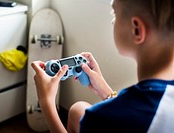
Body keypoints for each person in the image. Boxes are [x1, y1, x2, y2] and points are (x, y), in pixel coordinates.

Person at [31, 0, 174, 132]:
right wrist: (105, 91)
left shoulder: (101, 118)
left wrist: (47, 103)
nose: (113, 22)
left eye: (115, 13)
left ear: (136, 29)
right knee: (78, 110)